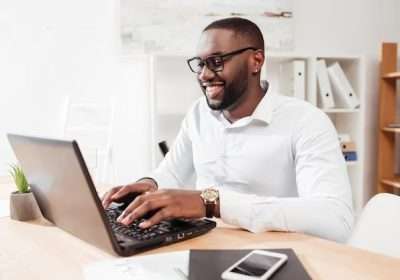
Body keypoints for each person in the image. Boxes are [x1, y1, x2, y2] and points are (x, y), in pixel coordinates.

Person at [102, 17, 354, 242]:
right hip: (204, 243)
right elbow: (173, 173)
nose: (204, 75)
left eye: (216, 61)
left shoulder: (307, 122)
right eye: (200, 64)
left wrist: (213, 203)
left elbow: (335, 220)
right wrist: (150, 184)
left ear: (256, 61)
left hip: (274, 254)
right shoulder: (199, 113)